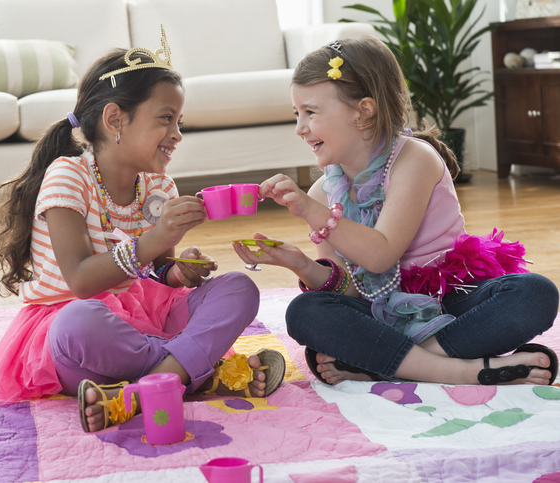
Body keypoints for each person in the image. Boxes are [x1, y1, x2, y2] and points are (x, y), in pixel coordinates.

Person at [0, 28, 286, 432]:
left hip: (144, 320)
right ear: (115, 119)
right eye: (166, 120)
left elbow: (155, 272)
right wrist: (155, 239)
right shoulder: (68, 176)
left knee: (238, 288)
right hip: (83, 339)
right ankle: (202, 372)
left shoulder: (158, 186)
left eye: (179, 121)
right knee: (78, 322)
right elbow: (81, 280)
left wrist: (177, 271)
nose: (177, 134)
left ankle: (136, 393)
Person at [233, 36, 559, 387]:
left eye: (310, 113)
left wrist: (313, 212)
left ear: (364, 111)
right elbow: (352, 291)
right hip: (379, 310)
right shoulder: (322, 193)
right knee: (305, 313)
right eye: (296, 114)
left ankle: (384, 364)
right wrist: (300, 264)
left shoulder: (413, 159)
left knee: (534, 292)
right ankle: (466, 371)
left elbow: (381, 253)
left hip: (452, 297)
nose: (300, 128)